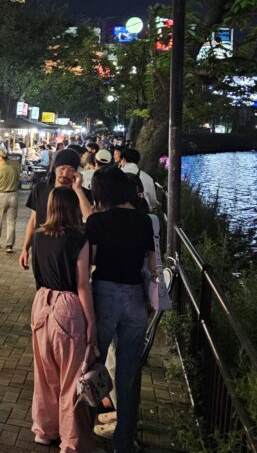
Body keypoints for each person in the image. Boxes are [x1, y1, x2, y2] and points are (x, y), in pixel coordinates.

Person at [86, 167, 157, 453]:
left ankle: (83, 432)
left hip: (103, 295)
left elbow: (88, 261)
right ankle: (124, 443)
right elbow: (153, 267)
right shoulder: (147, 222)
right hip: (134, 299)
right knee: (129, 375)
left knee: (92, 368)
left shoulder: (96, 221)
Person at [23, 187, 97, 452]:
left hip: (41, 301)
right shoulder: (79, 238)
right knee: (71, 377)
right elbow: (82, 284)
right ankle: (71, 440)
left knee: (44, 372)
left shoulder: (40, 236)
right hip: (67, 306)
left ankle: (44, 430)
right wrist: (92, 324)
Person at [19, 149, 93, 271]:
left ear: (76, 172)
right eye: (62, 168)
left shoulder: (82, 194)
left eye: (71, 169)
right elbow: (33, 220)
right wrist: (25, 248)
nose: (65, 173)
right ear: (55, 168)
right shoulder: (40, 190)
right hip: (42, 249)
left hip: (71, 251)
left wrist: (78, 190)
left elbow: (91, 219)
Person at [0, 149, 21, 253]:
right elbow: (17, 182)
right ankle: (9, 245)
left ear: (0, 157)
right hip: (14, 195)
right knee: (11, 222)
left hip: (1, 195)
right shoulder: (14, 169)